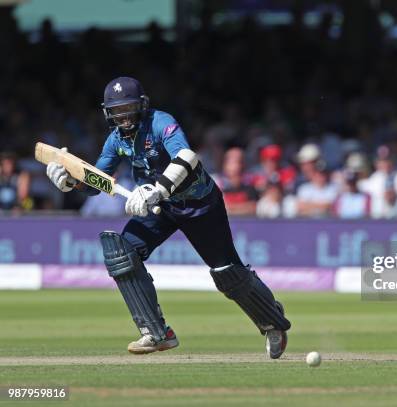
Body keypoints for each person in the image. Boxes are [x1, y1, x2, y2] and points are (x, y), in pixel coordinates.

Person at [44, 77, 290, 357]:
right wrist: (71, 182)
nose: (124, 118)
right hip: (160, 209)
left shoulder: (160, 122)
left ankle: (271, 319)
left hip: (199, 205)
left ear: (142, 106)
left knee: (227, 273)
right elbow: (96, 182)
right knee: (121, 252)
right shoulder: (115, 141)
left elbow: (187, 157)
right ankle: (156, 332)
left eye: (129, 108)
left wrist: (157, 189)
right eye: (117, 111)